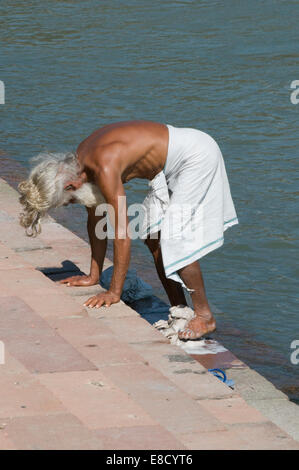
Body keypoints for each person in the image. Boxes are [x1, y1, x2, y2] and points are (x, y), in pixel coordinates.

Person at [18, 120, 238, 340]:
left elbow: (122, 233)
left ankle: (205, 316)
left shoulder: (103, 167)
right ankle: (180, 310)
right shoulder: (78, 166)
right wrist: (93, 276)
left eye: (67, 201)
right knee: (154, 237)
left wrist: (114, 292)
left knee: (174, 238)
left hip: (195, 155)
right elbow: (97, 222)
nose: (70, 204)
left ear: (70, 186)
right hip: (168, 167)